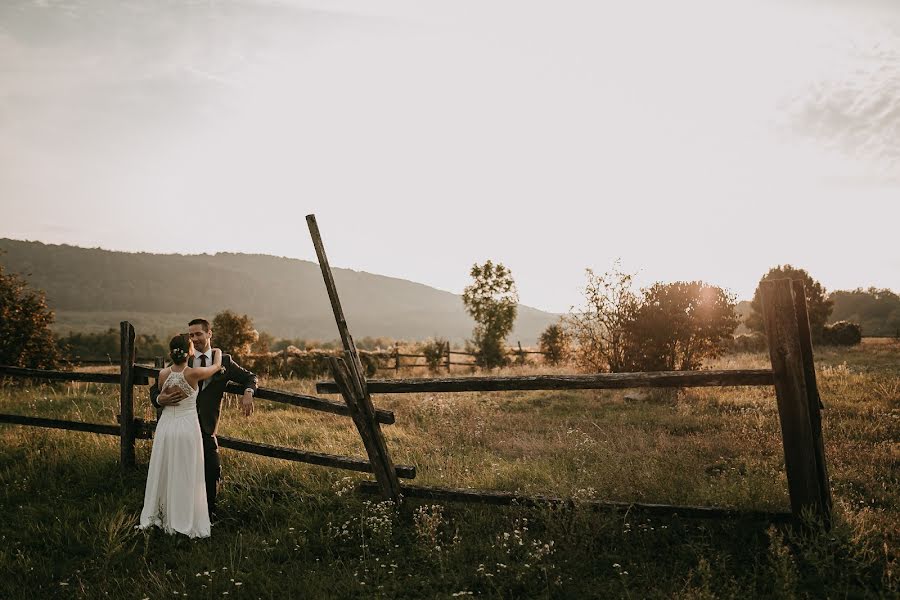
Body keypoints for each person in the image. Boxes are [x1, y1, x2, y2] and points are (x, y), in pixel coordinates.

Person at [150, 318, 258, 521]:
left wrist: (248, 392)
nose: (195, 338)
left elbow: (250, 376)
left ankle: (207, 514)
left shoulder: (224, 361)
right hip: (181, 425)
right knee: (180, 471)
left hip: (206, 427)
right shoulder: (184, 360)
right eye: (191, 335)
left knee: (211, 469)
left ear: (209, 334)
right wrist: (159, 398)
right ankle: (178, 512)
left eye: (198, 333)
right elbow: (155, 388)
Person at [138, 334, 222, 538]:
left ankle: (162, 513)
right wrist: (218, 355)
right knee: (186, 471)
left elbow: (159, 394)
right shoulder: (193, 374)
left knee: (165, 468)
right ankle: (183, 516)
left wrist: (160, 398)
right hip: (186, 427)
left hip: (166, 426)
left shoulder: (163, 374)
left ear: (170, 353)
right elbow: (215, 368)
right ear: (190, 352)